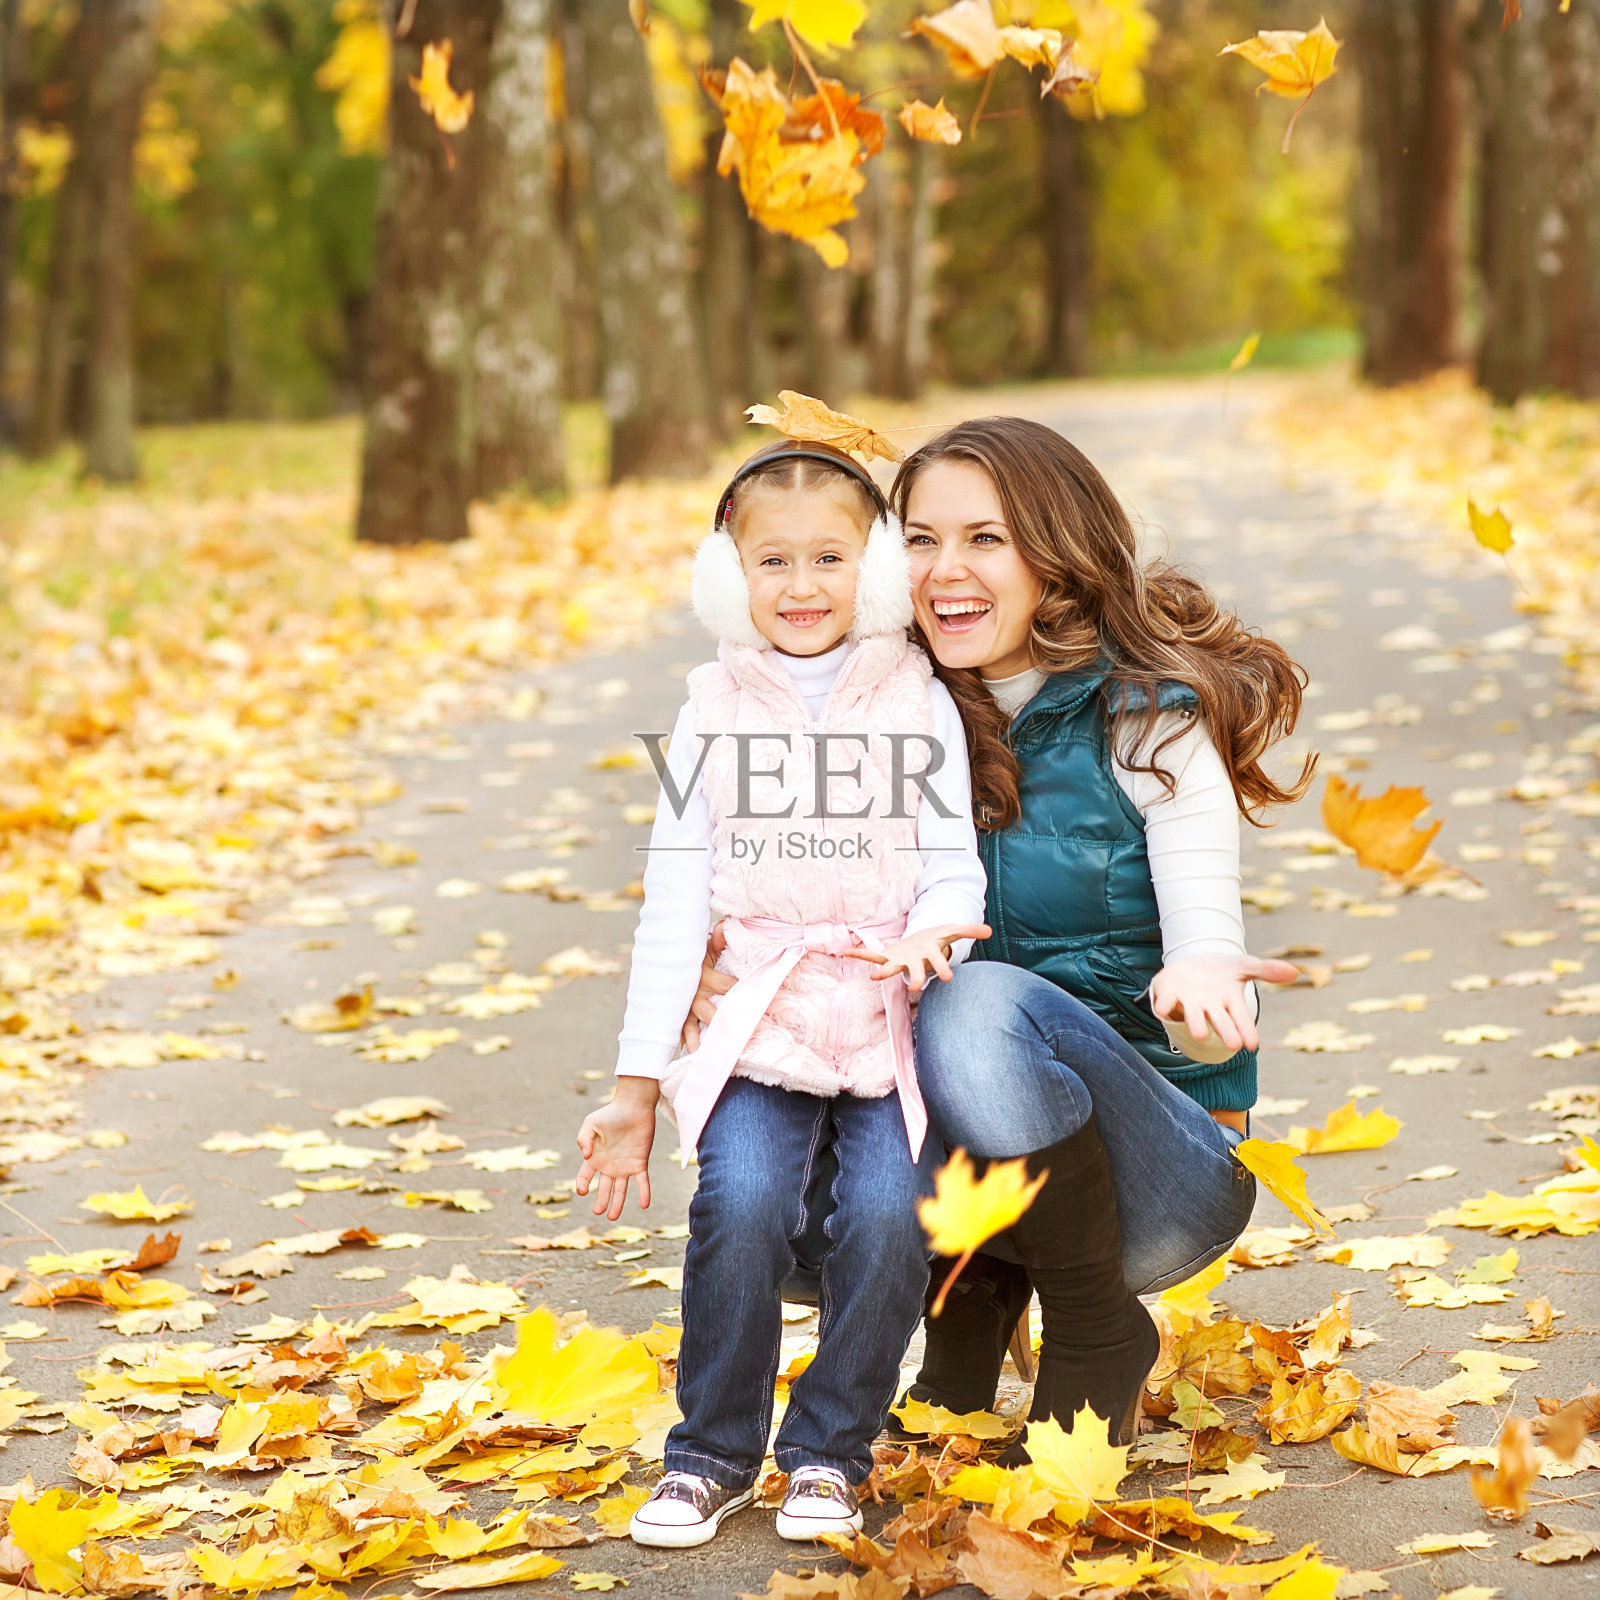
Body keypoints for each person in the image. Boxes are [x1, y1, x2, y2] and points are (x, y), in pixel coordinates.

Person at [684, 417, 1307, 1457]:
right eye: (918, 539)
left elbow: (1210, 990)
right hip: (968, 1164)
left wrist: (1204, 989)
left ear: (1055, 553)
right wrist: (731, 975)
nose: (944, 570)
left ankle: (1096, 1331)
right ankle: (965, 1320)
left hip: (1160, 1168)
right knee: (761, 1172)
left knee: (971, 999)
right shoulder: (893, 715)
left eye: (985, 538)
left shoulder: (1147, 719)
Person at [575, 440, 989, 1548]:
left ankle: (828, 1451)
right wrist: (635, 1086)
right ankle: (710, 1452)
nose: (800, 586)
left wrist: (933, 932)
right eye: (771, 561)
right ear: (728, 575)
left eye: (828, 558)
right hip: (757, 1019)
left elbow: (952, 857)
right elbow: (672, 898)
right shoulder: (707, 705)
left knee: (892, 1216)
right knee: (742, 1203)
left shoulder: (918, 696)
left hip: (885, 1013)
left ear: (880, 567)